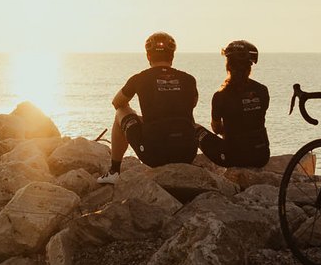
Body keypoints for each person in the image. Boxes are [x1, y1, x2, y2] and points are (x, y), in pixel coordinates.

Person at [100, 32, 199, 181]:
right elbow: (193, 104)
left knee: (121, 111)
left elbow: (117, 103)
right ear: (172, 56)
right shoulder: (189, 79)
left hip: (154, 154)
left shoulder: (139, 78)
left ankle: (114, 171)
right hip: (187, 153)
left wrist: (138, 119)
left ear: (148, 56)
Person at [199, 39, 270, 168]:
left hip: (234, 157)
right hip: (261, 155)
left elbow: (216, 129)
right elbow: (256, 118)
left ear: (228, 66)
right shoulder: (262, 90)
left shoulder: (220, 96)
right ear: (249, 66)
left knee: (195, 130)